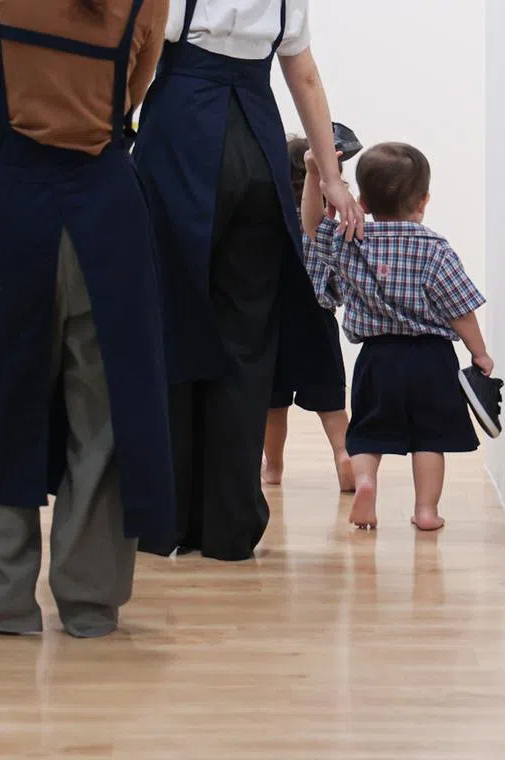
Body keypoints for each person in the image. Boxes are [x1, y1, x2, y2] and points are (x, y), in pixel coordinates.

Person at [0, 0, 174, 638]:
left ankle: (2, 598)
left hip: (14, 202)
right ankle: (90, 602)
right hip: (106, 207)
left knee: (1, 402)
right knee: (104, 411)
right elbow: (133, 93)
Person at [133, 0, 365, 562]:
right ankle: (230, 526)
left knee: (170, 324)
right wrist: (332, 179)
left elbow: (139, 58)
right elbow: (303, 76)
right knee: (246, 340)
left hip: (180, 141)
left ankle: (164, 519)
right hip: (259, 148)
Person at [302, 143, 495, 531]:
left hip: (377, 359)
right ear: (423, 200)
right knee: (429, 439)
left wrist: (313, 175)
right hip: (431, 360)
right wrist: (480, 353)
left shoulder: (350, 239)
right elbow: (461, 309)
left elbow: (311, 225)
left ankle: (366, 482)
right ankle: (426, 511)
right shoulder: (435, 249)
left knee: (367, 432)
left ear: (362, 202)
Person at [262, 136, 353, 492]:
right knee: (331, 402)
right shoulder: (328, 226)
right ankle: (344, 454)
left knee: (273, 405)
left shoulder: (271, 220)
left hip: (273, 321)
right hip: (318, 320)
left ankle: (274, 468)